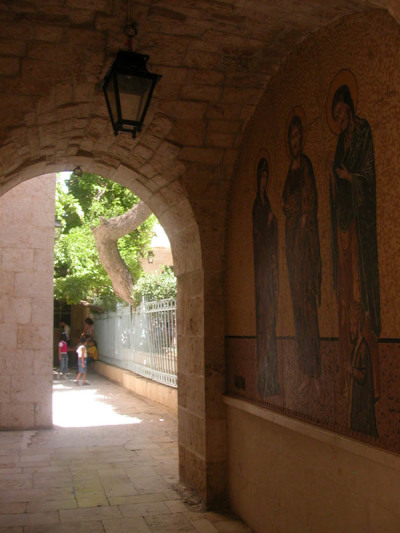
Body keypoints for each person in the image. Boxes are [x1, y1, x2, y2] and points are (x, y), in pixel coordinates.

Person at [330, 84, 380, 396]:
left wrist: (351, 178)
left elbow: (369, 175)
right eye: (335, 116)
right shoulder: (339, 141)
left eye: (341, 113)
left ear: (350, 108)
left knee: (363, 277)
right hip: (346, 221)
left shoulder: (363, 131)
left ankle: (368, 326)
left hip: (362, 222)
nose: (339, 120)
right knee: (347, 282)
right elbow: (336, 179)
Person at [282, 114, 322, 392]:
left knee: (308, 307)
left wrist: (298, 211)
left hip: (304, 246)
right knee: (298, 308)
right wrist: (292, 207)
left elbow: (307, 204)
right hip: (291, 245)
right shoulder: (290, 171)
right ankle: (304, 370)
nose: (295, 142)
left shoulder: (305, 166)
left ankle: (314, 369)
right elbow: (287, 203)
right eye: (291, 137)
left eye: (298, 136)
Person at [252, 157, 280, 397]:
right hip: (261, 276)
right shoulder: (256, 206)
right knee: (265, 322)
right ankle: (265, 378)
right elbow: (257, 236)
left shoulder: (267, 201)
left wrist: (274, 224)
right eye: (262, 177)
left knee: (272, 322)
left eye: (266, 177)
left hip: (268, 271)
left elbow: (270, 232)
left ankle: (272, 378)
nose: (264, 181)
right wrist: (268, 224)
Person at [345, 302, 378, 437]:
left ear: (359, 325)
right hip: (357, 396)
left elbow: (363, 376)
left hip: (362, 399)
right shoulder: (356, 346)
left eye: (353, 325)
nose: (351, 329)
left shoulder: (363, 348)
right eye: (350, 325)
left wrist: (350, 369)